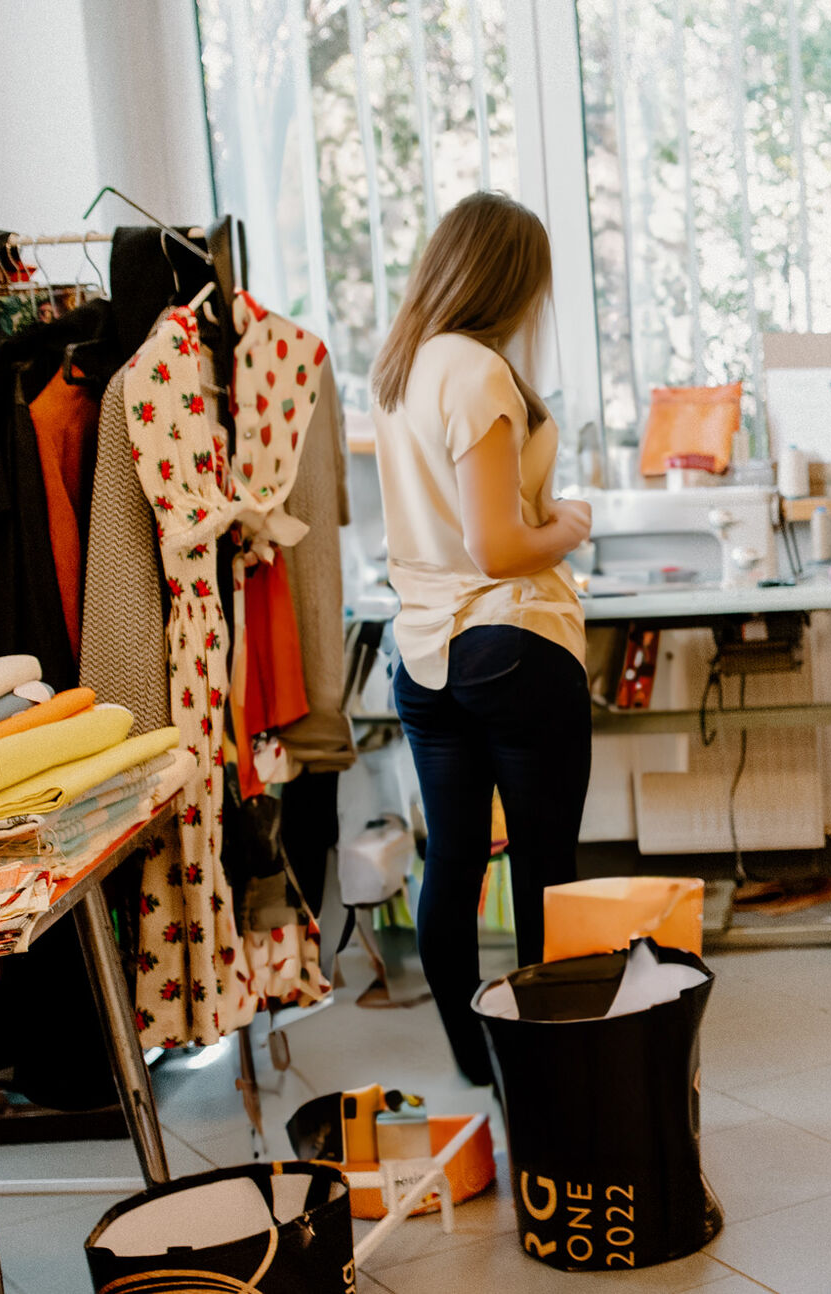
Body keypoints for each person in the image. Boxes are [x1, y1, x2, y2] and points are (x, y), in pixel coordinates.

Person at [369, 192, 593, 1084]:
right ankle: (544, 1058)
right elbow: (498, 548)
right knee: (546, 861)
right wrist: (569, 523)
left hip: (421, 650)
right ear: (509, 278)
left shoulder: (403, 370)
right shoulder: (478, 373)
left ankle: (475, 1060)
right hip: (507, 638)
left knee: (454, 858)